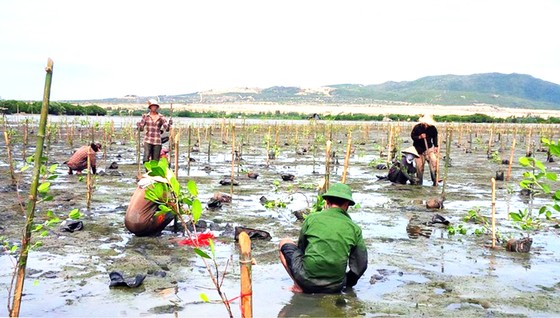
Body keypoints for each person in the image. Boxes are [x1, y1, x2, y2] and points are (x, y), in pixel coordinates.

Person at [279, 183, 368, 293]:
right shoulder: (354, 228)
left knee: (284, 242)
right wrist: (347, 283)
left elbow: (301, 248)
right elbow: (361, 264)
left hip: (306, 280)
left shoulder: (312, 218)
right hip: (335, 286)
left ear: (327, 202)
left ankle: (298, 286)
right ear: (347, 205)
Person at [137, 99, 172, 164]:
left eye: (155, 106)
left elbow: (166, 128)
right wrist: (139, 126)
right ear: (150, 107)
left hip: (157, 141)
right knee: (146, 158)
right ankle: (147, 171)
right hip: (148, 140)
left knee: (155, 160)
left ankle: (153, 173)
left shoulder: (161, 117)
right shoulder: (145, 116)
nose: (154, 108)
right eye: (152, 106)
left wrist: (169, 124)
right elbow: (141, 128)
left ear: (157, 107)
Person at [411, 114, 439, 186]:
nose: (426, 124)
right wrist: (420, 137)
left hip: (428, 149)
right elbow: (413, 136)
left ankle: (435, 180)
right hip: (418, 149)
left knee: (433, 162)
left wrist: (436, 146)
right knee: (419, 167)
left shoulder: (432, 128)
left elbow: (435, 137)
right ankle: (419, 183)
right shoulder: (417, 127)